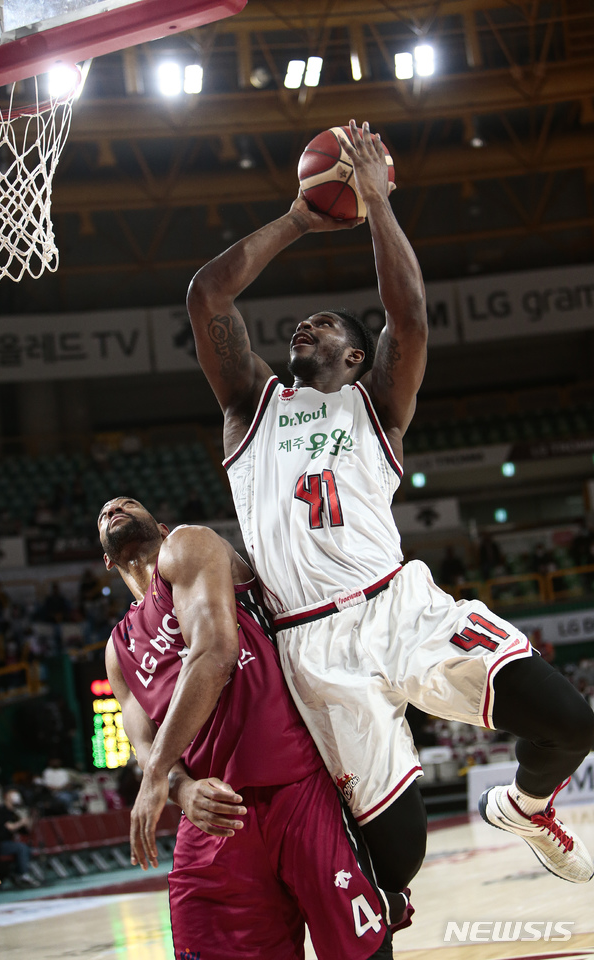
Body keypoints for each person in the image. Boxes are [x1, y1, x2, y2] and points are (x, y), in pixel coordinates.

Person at [186, 118, 594, 888]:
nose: (305, 324)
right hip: (314, 647)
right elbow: (207, 294)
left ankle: (528, 806)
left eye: (328, 325)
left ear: (355, 357)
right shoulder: (251, 406)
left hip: (403, 609)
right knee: (397, 863)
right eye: (300, 324)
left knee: (572, 722)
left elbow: (409, 318)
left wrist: (375, 197)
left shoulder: (378, 407)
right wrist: (299, 220)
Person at [99, 496, 411, 960]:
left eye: (126, 503)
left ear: (161, 528)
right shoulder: (118, 650)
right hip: (213, 814)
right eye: (104, 514)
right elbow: (142, 741)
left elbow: (215, 653)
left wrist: (158, 775)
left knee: (356, 949)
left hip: (295, 783)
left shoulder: (187, 545)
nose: (113, 508)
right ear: (107, 560)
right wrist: (181, 790)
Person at [0, 787, 39, 888]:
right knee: (21, 847)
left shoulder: (15, 812)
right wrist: (21, 822)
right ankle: (23, 874)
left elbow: (26, 831)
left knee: (27, 848)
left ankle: (17, 873)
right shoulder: (0, 811)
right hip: (0, 844)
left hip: (11, 843)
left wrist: (30, 819)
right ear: (6, 797)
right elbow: (10, 827)